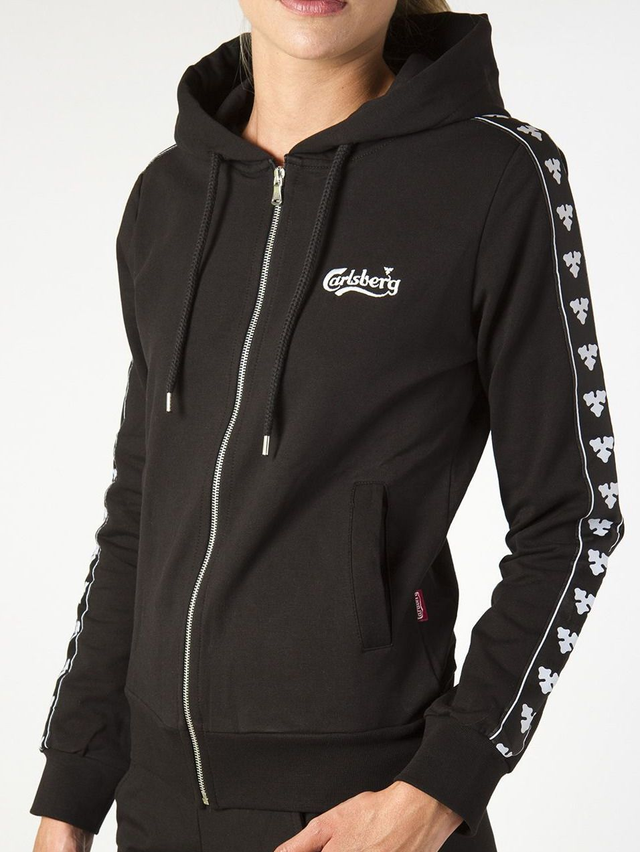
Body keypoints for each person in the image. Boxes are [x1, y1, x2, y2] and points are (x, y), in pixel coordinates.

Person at [30, 2, 626, 851]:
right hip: (154, 808)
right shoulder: (166, 197)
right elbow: (140, 510)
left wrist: (440, 789)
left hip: (357, 810)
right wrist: (73, 786)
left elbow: (575, 518)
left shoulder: (494, 175)